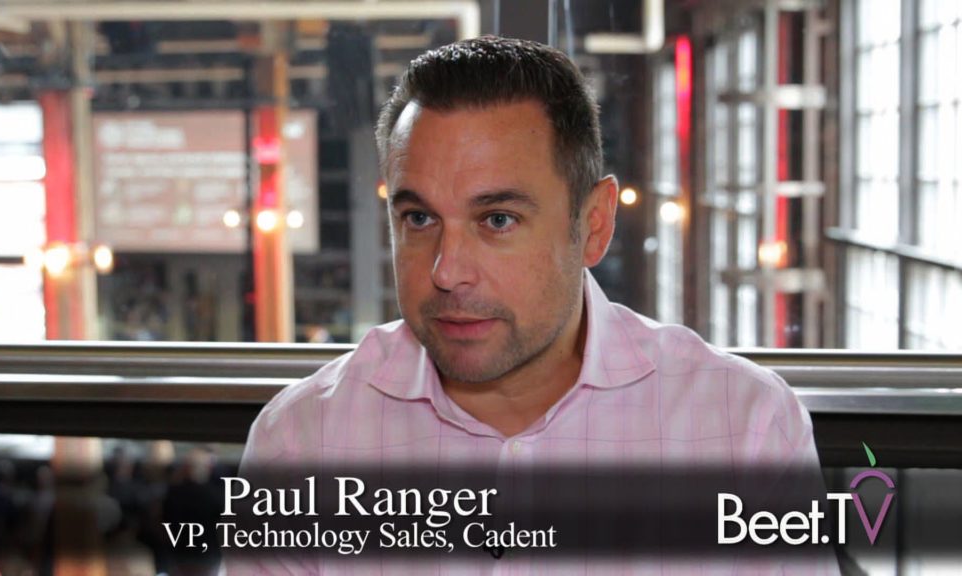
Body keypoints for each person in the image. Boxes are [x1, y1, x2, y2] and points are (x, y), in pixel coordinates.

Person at [230, 36, 835, 574]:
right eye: (419, 218)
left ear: (593, 225)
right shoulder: (301, 444)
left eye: (497, 219)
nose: (447, 272)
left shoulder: (744, 428)